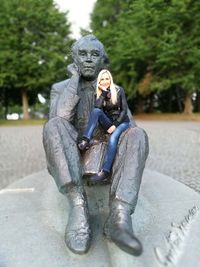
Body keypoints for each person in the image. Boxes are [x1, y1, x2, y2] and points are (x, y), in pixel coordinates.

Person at [43, 35, 149, 256]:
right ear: (73, 59)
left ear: (103, 61)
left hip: (105, 156)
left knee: (138, 134)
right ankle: (78, 206)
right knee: (53, 126)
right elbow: (60, 118)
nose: (89, 60)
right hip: (74, 156)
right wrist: (74, 80)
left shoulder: (113, 89)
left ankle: (119, 216)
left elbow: (128, 128)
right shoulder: (59, 88)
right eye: (83, 54)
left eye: (95, 55)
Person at [78, 69, 130, 182]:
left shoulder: (119, 90)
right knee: (96, 111)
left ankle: (105, 172)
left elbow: (124, 110)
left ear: (110, 79)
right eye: (102, 79)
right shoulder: (99, 94)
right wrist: (104, 93)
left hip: (121, 122)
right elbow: (97, 108)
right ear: (99, 82)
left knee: (113, 139)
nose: (105, 81)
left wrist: (115, 125)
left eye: (107, 78)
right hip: (108, 122)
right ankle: (86, 140)